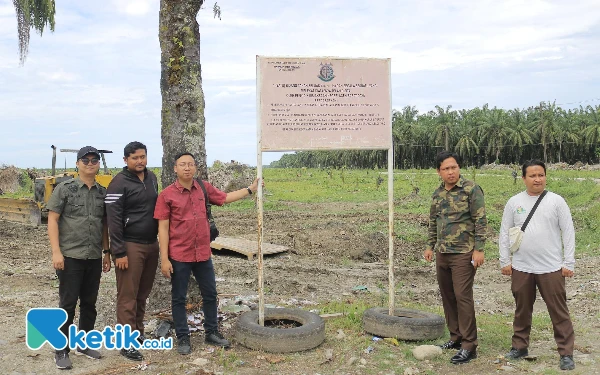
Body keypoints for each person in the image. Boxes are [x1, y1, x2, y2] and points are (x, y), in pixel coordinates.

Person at [153, 152, 261, 355]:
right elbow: (163, 228)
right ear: (174, 168)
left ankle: (212, 332)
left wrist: (250, 189)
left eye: (190, 164)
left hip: (202, 254)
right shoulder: (166, 195)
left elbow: (225, 198)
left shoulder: (203, 187)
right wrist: (165, 259)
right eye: (182, 164)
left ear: (195, 168)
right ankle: (183, 337)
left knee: (210, 295)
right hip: (179, 255)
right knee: (178, 298)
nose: (187, 168)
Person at [499, 160, 576, 371]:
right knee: (522, 309)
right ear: (523, 178)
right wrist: (505, 260)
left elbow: (568, 232)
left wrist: (568, 262)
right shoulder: (514, 202)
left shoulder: (557, 202)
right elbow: (505, 232)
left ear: (545, 176)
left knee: (558, 311)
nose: (537, 179)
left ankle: (566, 352)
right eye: (532, 176)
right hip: (522, 267)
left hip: (551, 267)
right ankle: (519, 346)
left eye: (541, 175)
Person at [47, 146, 112, 370]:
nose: (90, 164)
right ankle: (61, 349)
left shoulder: (102, 193)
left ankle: (83, 343)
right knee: (67, 305)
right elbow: (53, 220)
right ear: (78, 163)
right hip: (70, 256)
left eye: (94, 160)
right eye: (86, 160)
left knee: (89, 304)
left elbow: (104, 225)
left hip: (93, 256)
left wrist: (106, 252)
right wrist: (56, 252)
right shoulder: (65, 189)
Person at [423, 151, 487, 364]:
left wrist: (479, 249)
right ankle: (456, 337)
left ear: (459, 168)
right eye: (446, 169)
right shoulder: (437, 194)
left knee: (462, 296)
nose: (450, 172)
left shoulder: (471, 189)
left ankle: (470, 345)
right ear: (438, 172)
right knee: (448, 295)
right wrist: (430, 246)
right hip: (443, 252)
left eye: (454, 167)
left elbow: (481, 220)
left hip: (464, 253)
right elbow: (434, 222)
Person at [105, 142, 159, 361]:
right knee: (127, 296)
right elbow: (113, 220)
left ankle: (137, 333)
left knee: (142, 293)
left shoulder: (152, 178)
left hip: (151, 244)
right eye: (135, 158)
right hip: (130, 245)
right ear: (126, 159)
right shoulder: (118, 183)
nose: (140, 161)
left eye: (143, 157)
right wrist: (118, 252)